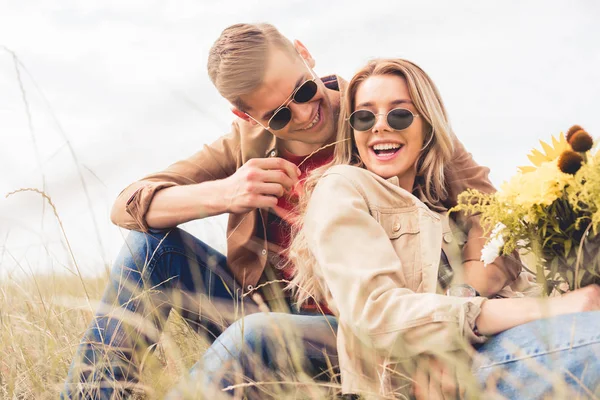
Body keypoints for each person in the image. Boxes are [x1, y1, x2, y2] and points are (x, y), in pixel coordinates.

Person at [61, 23, 516, 399]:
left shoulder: (379, 113)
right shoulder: (247, 145)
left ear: (305, 54)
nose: (303, 114)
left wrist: (456, 300)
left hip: (362, 322)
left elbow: (490, 213)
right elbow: (129, 204)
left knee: (252, 335)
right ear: (248, 116)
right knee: (149, 247)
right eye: (278, 115)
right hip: (269, 309)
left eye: (303, 90)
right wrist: (226, 194)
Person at [287, 58, 600, 399]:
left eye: (399, 114)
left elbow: (500, 240)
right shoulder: (342, 188)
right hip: (422, 379)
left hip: (484, 348)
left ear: (428, 125)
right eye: (364, 116)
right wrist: (552, 309)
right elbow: (376, 312)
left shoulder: (440, 202)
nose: (379, 126)